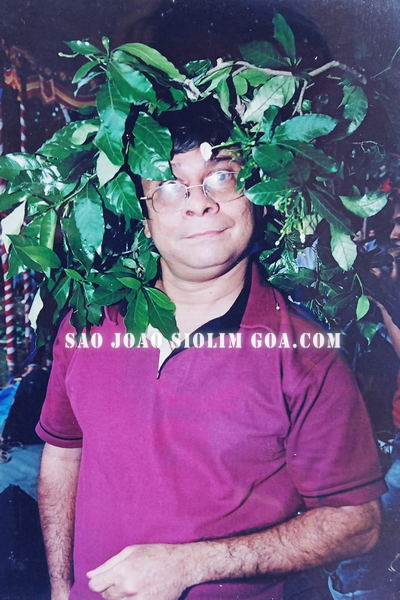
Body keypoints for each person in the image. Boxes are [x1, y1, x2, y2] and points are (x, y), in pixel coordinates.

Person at [36, 102, 385, 600]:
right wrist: (59, 586)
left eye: (221, 177)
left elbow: (357, 522)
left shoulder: (306, 357)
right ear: (144, 220)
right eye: (169, 187)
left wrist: (190, 565)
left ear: (257, 197)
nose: (198, 204)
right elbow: (63, 455)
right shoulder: (87, 326)